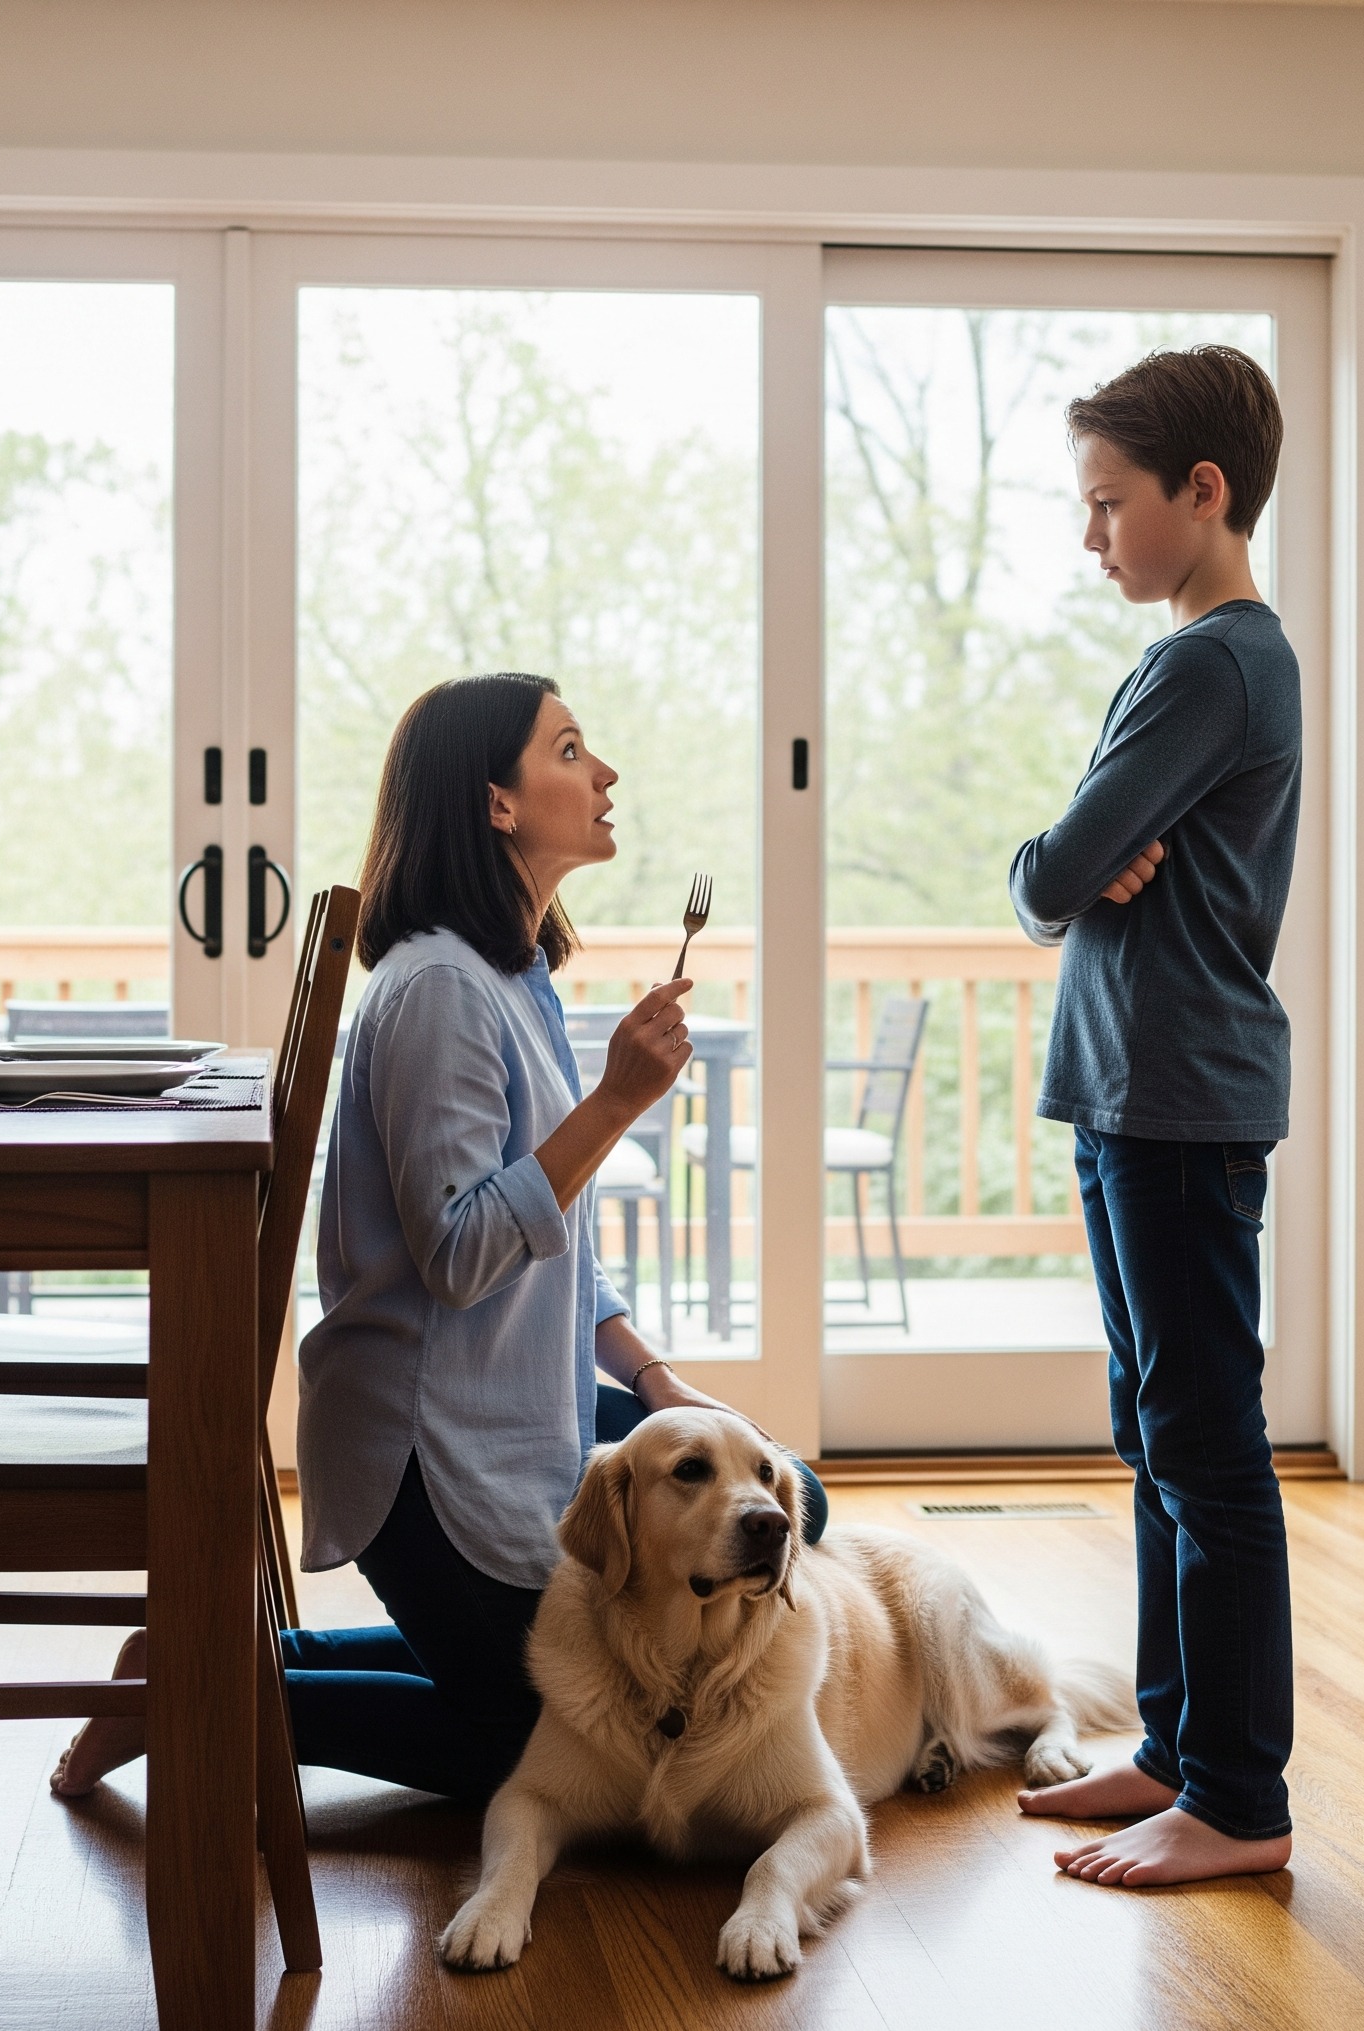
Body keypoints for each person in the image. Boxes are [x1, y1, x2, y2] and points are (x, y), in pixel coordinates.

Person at [51, 672, 827, 1802]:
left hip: (519, 1397)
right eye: (570, 750)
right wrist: (611, 1106)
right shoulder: (437, 993)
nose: (603, 773)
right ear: (497, 803)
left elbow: (557, 1245)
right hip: (428, 1442)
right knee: (530, 1747)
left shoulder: (519, 979)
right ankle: (173, 1697)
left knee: (790, 1489)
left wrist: (658, 1383)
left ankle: (213, 1665)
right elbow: (461, 1252)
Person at [1008, 348, 1299, 1886]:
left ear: (1203, 494)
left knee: (1205, 1442)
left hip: (1177, 1102)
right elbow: (1074, 866)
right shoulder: (1213, 661)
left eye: (1109, 504)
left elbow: (1054, 876)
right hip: (1143, 1096)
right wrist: (1074, 856)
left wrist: (1061, 860)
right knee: (1157, 1432)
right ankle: (1178, 1752)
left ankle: (1240, 1804)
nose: (1092, 535)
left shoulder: (1209, 665)